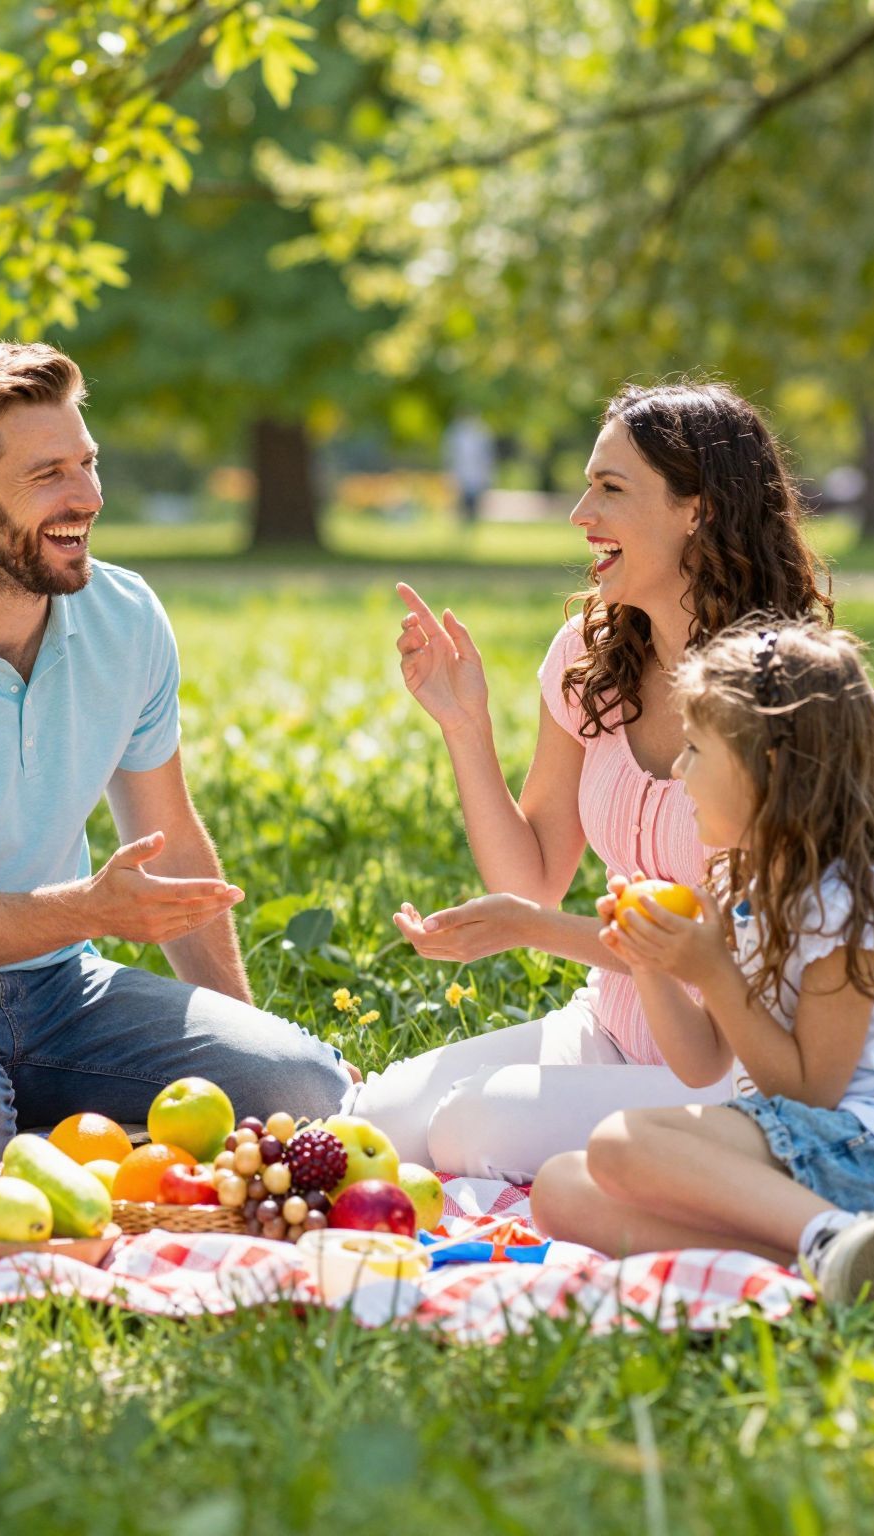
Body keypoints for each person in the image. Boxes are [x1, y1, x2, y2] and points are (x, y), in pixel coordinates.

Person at [0, 340, 350, 1162]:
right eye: (48, 475)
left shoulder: (126, 618)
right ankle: (39, 1135)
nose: (86, 496)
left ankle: (50, 1137)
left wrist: (245, 1049)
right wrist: (91, 910)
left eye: (87, 462)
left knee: (301, 1093)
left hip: (59, 990)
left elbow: (173, 845)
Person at [350, 380, 833, 1180]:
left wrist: (525, 928)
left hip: (736, 1068)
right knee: (376, 1122)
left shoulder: (785, 693)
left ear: (699, 509)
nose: (580, 513)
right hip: (609, 1029)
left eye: (610, 488)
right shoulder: (590, 655)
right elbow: (534, 878)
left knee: (469, 1130)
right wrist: (465, 725)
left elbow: (723, 951)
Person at [530, 621, 874, 1299]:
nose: (678, 771)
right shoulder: (740, 882)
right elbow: (703, 1063)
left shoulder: (850, 897)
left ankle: (832, 1237)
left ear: (766, 769)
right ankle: (851, 1256)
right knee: (559, 1189)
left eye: (694, 750)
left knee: (620, 1145)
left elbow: (810, 1092)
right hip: (812, 1151)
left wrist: (712, 968)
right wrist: (653, 962)